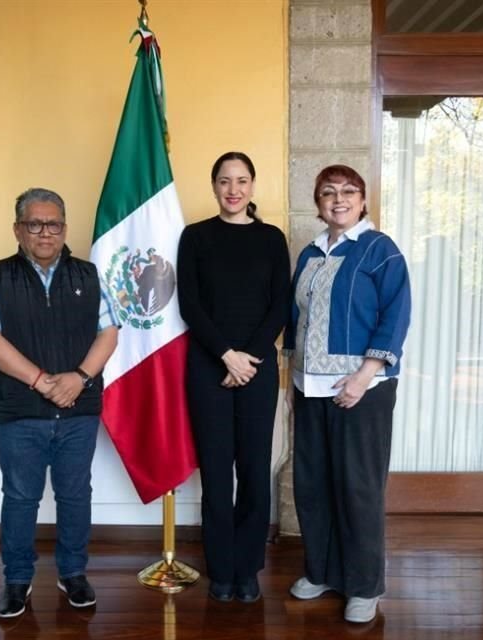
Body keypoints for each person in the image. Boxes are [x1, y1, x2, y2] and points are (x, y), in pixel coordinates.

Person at [0, 188, 120, 619]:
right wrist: (40, 380)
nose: (45, 233)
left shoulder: (88, 275)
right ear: (18, 230)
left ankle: (73, 574)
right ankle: (16, 580)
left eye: (53, 224)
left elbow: (109, 332)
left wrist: (79, 378)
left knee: (74, 495)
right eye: (34, 224)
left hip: (78, 409)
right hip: (20, 412)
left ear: (64, 228)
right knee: (19, 497)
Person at [284, 165, 411, 624]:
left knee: (358, 487)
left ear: (363, 200)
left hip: (362, 390)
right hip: (310, 388)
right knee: (314, 485)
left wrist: (364, 376)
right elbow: (295, 318)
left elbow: (396, 316)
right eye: (328, 193)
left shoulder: (380, 251)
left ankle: (363, 585)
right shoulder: (310, 254)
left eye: (348, 192)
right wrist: (290, 381)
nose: (338, 200)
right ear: (318, 203)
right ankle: (321, 571)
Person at [177, 151, 291, 603]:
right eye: (225, 180)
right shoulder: (195, 237)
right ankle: (221, 570)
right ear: (214, 186)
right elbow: (190, 305)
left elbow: (279, 305)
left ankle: (248, 568)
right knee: (218, 475)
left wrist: (247, 359)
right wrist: (226, 356)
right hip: (208, 369)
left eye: (242, 180)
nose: (233, 189)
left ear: (252, 185)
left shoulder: (271, 238)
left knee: (254, 471)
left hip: (258, 371)